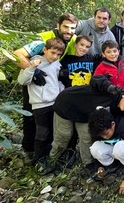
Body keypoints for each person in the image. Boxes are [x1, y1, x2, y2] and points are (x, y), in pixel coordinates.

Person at [13, 13, 78, 158]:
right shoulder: (42, 40)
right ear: (58, 26)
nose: (68, 30)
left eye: (72, 28)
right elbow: (16, 54)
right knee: (30, 117)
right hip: (33, 79)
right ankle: (30, 150)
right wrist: (33, 71)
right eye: (65, 27)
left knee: (51, 124)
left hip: (53, 84)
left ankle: (49, 152)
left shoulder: (73, 39)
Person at [17, 38, 65, 173]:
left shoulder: (56, 64)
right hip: (40, 104)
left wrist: (61, 92)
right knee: (42, 133)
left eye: (58, 54)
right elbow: (22, 80)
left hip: (55, 102)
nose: (55, 56)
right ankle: (38, 157)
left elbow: (57, 82)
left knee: (53, 131)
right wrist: (32, 68)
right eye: (52, 53)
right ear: (45, 50)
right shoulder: (34, 62)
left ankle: (49, 157)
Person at [88, 107, 124, 194]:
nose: (104, 137)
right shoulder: (98, 130)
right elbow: (95, 148)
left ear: (113, 124)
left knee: (120, 148)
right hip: (117, 150)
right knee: (95, 148)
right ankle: (113, 167)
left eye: (106, 134)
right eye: (101, 135)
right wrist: (99, 166)